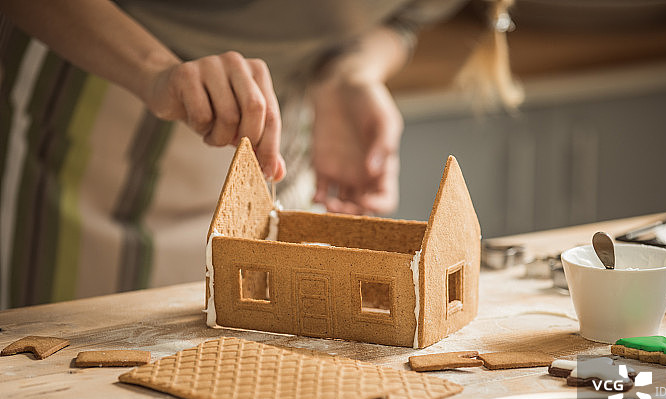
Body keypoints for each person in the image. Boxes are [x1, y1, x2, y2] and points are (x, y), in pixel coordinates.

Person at [0, 0, 518, 309]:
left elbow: (404, 19)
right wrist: (156, 71)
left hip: (285, 131)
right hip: (102, 110)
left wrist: (351, 71)